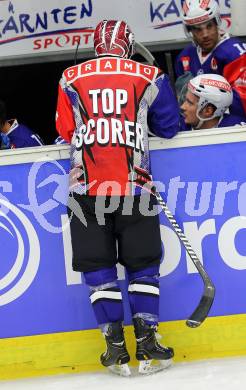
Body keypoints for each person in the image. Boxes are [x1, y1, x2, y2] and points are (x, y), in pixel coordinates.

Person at [56, 19, 180, 376]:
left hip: (86, 189)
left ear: (95, 46)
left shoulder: (69, 77)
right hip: (134, 186)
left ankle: (114, 347)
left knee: (98, 268)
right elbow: (168, 127)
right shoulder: (149, 75)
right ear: (128, 45)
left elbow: (65, 130)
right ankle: (147, 343)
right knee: (143, 264)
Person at [175, 0, 246, 117]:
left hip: (231, 125)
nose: (205, 34)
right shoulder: (185, 57)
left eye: (209, 26)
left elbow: (243, 101)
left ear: (217, 22)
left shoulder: (234, 53)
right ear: (190, 31)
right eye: (198, 29)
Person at [181, 73, 246, 130]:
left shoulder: (237, 130)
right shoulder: (178, 126)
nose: (182, 107)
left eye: (189, 103)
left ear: (208, 111)